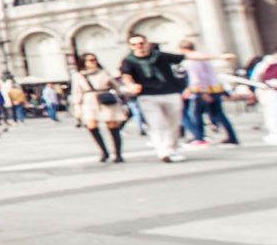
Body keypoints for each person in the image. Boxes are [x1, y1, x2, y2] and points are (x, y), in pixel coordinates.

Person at [120, 34, 235, 163]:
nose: (139, 46)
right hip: (147, 96)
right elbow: (126, 75)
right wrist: (131, 85)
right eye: (135, 44)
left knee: (174, 124)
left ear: (146, 43)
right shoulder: (129, 60)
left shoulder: (160, 56)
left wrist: (219, 57)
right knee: (157, 124)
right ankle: (163, 151)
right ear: (131, 46)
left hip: (170, 93)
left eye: (141, 43)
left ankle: (172, 148)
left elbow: (189, 56)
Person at [71, 53, 129, 163]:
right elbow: (76, 92)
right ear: (84, 62)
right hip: (89, 101)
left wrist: (124, 98)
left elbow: (116, 86)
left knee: (112, 126)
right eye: (90, 60)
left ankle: (118, 154)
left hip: (106, 98)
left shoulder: (104, 72)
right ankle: (104, 152)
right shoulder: (78, 75)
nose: (93, 61)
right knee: (91, 126)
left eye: (94, 59)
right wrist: (77, 107)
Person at [180, 41, 238, 146]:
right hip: (214, 88)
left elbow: (197, 77)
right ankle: (232, 137)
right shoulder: (205, 59)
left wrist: (201, 92)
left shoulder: (191, 61)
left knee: (196, 115)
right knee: (219, 114)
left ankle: (199, 137)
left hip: (201, 90)